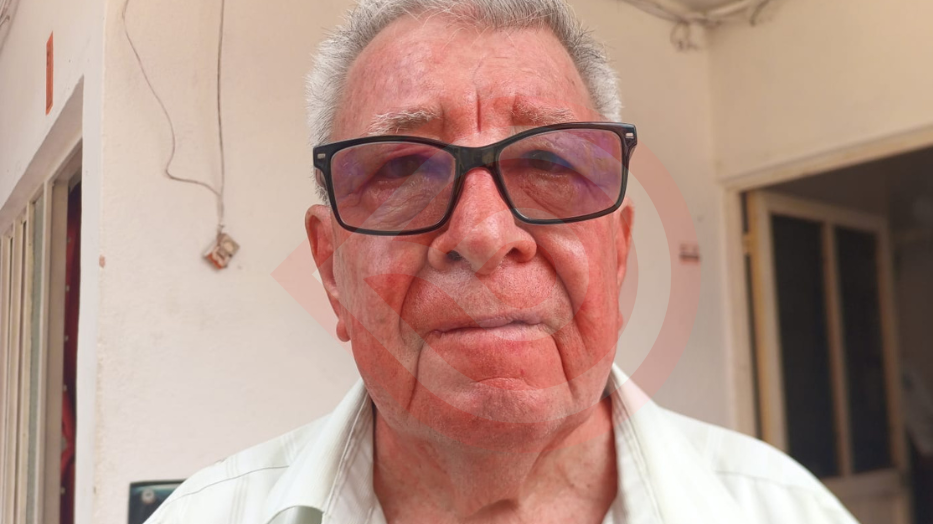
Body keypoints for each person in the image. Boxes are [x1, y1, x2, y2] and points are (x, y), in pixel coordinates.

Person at [146, 0, 859, 522]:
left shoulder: (788, 511)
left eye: (547, 161)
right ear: (332, 272)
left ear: (617, 253)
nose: (485, 233)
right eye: (401, 169)